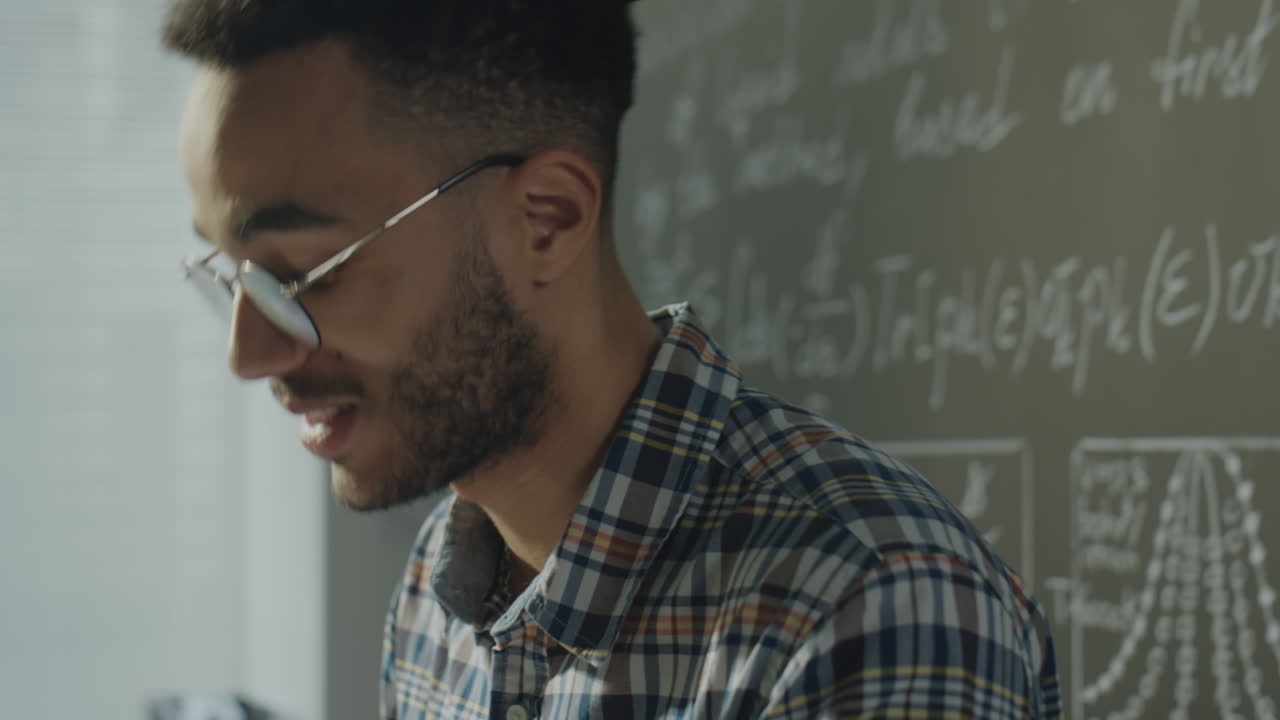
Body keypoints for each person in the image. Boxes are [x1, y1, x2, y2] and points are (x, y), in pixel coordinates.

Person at [162, 1, 1062, 717]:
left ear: (546, 219)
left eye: (294, 275)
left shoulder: (869, 606)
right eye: (227, 275)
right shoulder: (441, 588)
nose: (248, 352)